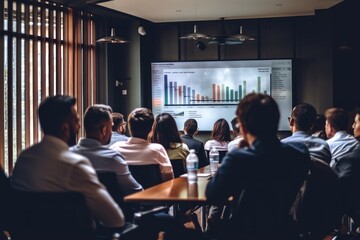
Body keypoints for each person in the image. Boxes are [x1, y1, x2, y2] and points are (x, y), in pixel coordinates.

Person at [205, 93, 310, 240]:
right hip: (283, 231)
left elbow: (212, 194)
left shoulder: (238, 158)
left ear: (243, 127)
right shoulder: (300, 155)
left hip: (242, 233)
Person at [11, 95, 125, 228]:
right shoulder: (75, 165)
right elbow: (115, 219)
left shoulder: (23, 159)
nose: (79, 126)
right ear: (65, 128)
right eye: (76, 121)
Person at [70, 105, 142, 197]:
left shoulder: (67, 156)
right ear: (103, 130)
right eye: (111, 127)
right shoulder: (113, 159)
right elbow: (136, 191)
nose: (112, 132)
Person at [110, 108, 174, 182]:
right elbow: (168, 180)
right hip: (153, 193)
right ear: (151, 129)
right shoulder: (157, 150)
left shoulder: (115, 148)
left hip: (123, 193)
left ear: (129, 127)